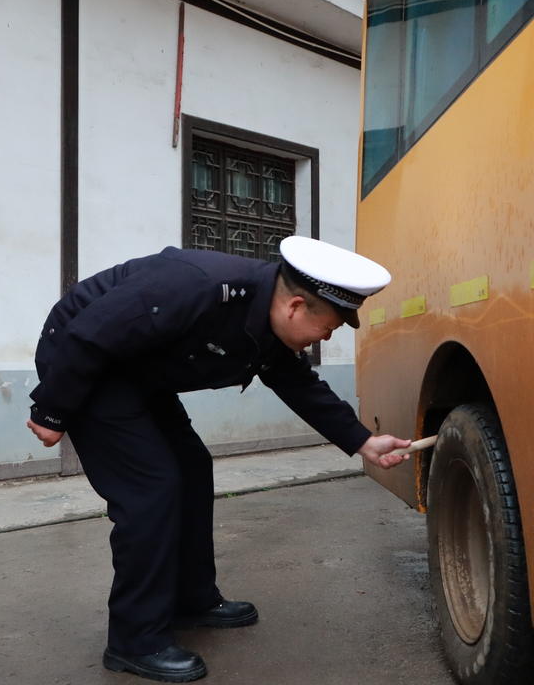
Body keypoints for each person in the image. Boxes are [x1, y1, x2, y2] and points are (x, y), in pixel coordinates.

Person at [26, 235, 412, 682]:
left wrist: (364, 442)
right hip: (83, 363)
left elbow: (297, 384)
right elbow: (90, 333)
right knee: (150, 489)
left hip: (136, 373)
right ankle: (134, 639)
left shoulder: (267, 318)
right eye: (329, 326)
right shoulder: (197, 286)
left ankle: (192, 598)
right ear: (295, 307)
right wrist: (52, 408)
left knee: (191, 468)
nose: (328, 335)